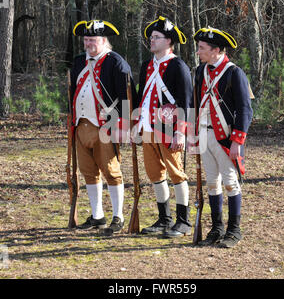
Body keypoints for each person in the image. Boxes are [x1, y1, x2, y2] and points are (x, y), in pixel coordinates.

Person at [69, 20, 132, 235]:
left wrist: (122, 125)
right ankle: (97, 216)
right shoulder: (79, 62)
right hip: (81, 125)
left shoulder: (116, 62)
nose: (88, 44)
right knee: (88, 172)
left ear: (104, 40)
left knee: (111, 172)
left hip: (107, 124)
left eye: (93, 40)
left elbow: (126, 96)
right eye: (86, 40)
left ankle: (118, 216)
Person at [193, 27, 253, 248]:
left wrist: (238, 141)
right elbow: (194, 103)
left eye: (202, 48)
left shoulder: (233, 72)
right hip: (203, 134)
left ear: (216, 50)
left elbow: (245, 109)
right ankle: (217, 228)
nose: (198, 52)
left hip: (225, 137)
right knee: (211, 183)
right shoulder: (200, 71)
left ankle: (234, 230)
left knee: (230, 182)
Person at [133, 16, 193, 238]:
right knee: (155, 174)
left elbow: (186, 103)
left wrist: (180, 132)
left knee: (176, 173)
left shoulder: (178, 66)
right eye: (151, 37)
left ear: (169, 41)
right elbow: (143, 98)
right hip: (148, 127)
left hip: (170, 129)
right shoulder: (147, 66)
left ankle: (183, 221)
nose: (152, 41)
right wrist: (137, 125)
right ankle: (164, 219)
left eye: (157, 37)